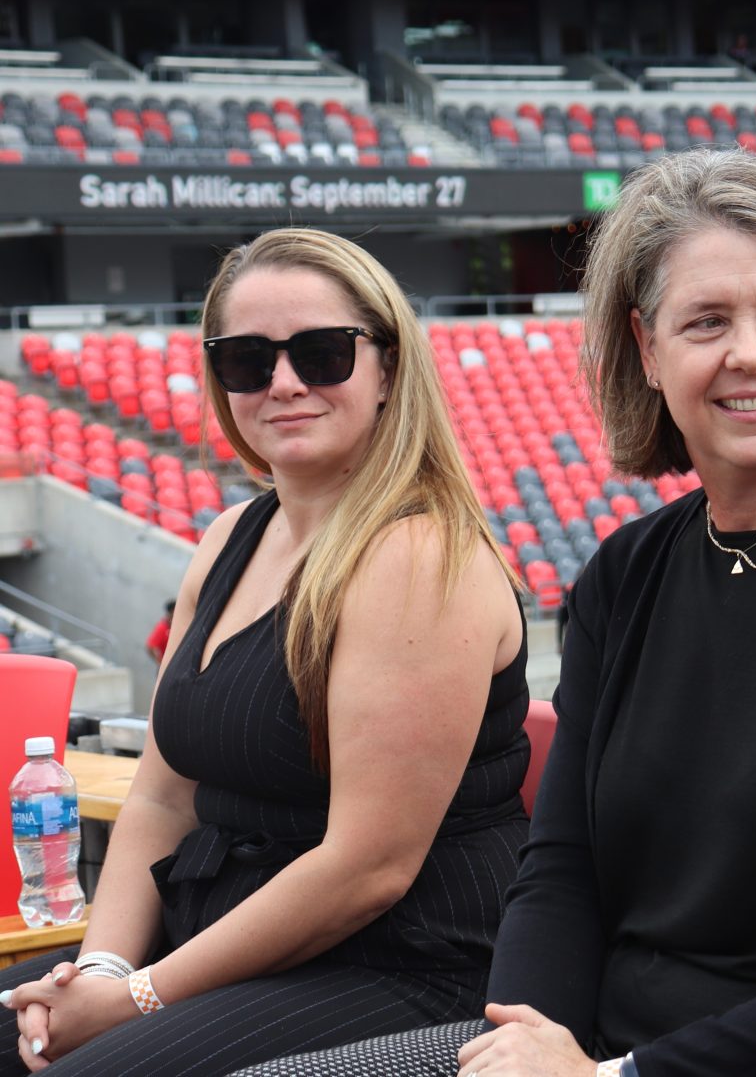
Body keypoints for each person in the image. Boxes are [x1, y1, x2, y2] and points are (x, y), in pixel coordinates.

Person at [241, 148, 756, 1077]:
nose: (750, 352)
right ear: (647, 350)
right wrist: (527, 1042)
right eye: (705, 322)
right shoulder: (625, 574)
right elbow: (562, 870)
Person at [0, 228, 529, 1075]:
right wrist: (101, 968)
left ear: (388, 368)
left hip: (399, 964)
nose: (283, 382)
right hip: (217, 939)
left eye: (322, 353)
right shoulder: (229, 536)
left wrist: (134, 999)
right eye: (246, 360)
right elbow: (162, 801)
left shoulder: (419, 556)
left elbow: (368, 868)